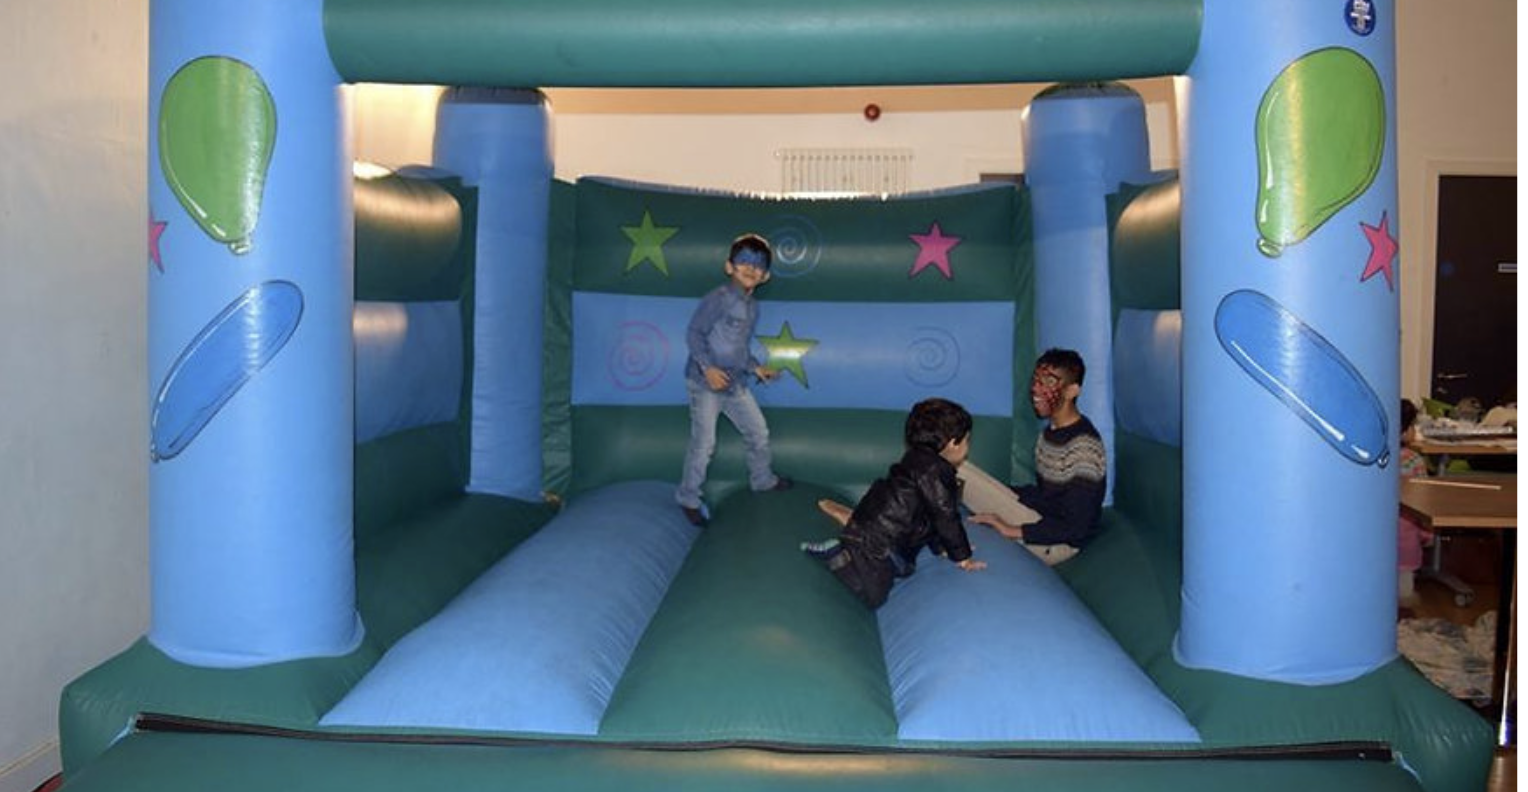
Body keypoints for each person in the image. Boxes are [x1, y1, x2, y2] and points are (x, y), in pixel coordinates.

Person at [802, 398, 987, 609]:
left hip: (880, 532)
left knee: (898, 568)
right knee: (874, 596)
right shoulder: (934, 473)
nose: (967, 447)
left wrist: (943, 548)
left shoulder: (917, 460)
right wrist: (962, 556)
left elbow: (930, 518)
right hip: (879, 540)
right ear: (953, 443)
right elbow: (945, 516)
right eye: (967, 441)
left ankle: (848, 547)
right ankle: (840, 557)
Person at [675, 233, 792, 527]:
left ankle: (762, 479)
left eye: (758, 266)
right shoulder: (719, 298)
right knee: (705, 443)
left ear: (765, 276)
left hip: (734, 384)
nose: (751, 269)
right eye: (744, 263)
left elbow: (738, 348)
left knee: (759, 432)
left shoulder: (753, 307)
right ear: (729, 267)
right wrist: (707, 368)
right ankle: (688, 497)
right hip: (706, 384)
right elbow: (694, 333)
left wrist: (756, 369)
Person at [967, 348, 1106, 565]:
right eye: (1036, 381)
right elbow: (1047, 496)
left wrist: (1011, 529)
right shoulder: (1050, 432)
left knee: (952, 469)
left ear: (1072, 391)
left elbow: (1077, 527)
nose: (1036, 390)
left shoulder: (1084, 447)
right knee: (954, 472)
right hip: (1040, 519)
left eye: (1048, 383)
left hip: (1058, 545)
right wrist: (1003, 493)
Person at [1396, 398, 1434, 607]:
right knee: (1404, 591)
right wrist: (1428, 533)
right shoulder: (1414, 461)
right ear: (1404, 430)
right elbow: (1423, 501)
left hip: (1368, 539)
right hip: (1406, 536)